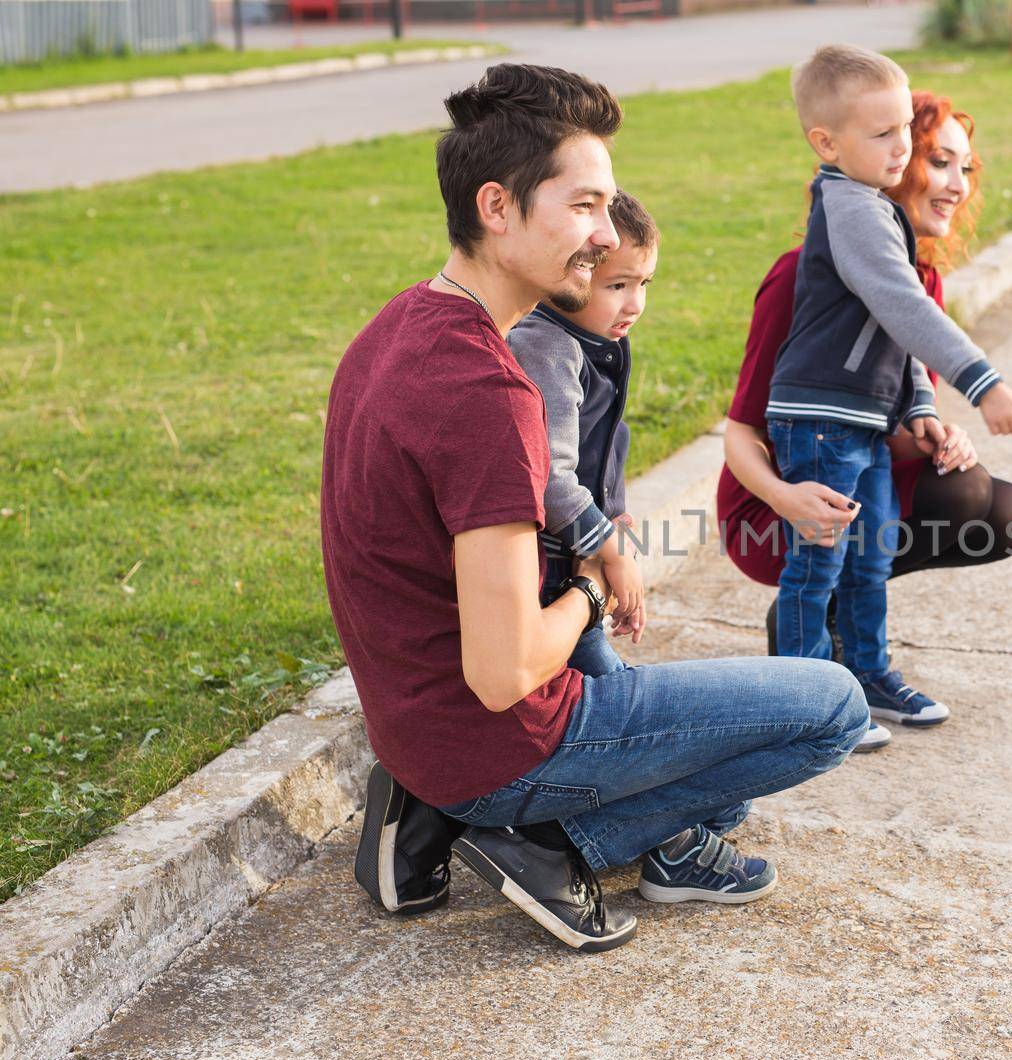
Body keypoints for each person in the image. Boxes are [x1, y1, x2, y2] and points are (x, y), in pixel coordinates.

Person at [323, 63, 868, 954]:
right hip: (499, 739)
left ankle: (458, 808)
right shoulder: (487, 392)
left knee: (721, 776)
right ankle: (537, 836)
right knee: (832, 706)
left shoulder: (400, 326)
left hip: (420, 728)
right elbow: (504, 674)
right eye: (583, 208)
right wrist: (587, 581)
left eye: (608, 207)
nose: (605, 234)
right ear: (497, 208)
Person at [753, 45, 1012, 746]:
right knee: (821, 560)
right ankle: (805, 700)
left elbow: (896, 334)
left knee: (869, 557)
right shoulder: (851, 208)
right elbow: (901, 305)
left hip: (863, 425)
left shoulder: (879, 216)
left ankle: (866, 674)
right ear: (826, 142)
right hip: (821, 423)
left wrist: (920, 407)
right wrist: (984, 384)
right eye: (883, 134)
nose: (901, 147)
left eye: (903, 131)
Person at [505, 189, 658, 678]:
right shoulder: (549, 347)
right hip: (548, 572)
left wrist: (616, 522)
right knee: (610, 690)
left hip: (580, 550)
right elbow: (550, 478)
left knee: (600, 679)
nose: (634, 304)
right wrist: (609, 549)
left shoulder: (597, 341)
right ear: (574, 269)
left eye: (644, 283)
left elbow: (606, 441)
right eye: (617, 285)